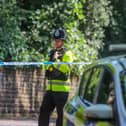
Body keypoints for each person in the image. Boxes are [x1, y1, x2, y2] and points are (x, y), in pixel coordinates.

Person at [38, 28, 74, 126]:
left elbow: (66, 68)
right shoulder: (51, 52)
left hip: (62, 91)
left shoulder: (68, 53)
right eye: (55, 40)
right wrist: (53, 61)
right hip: (50, 89)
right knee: (43, 112)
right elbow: (45, 66)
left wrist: (55, 62)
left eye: (58, 40)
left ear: (63, 41)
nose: (56, 42)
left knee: (61, 116)